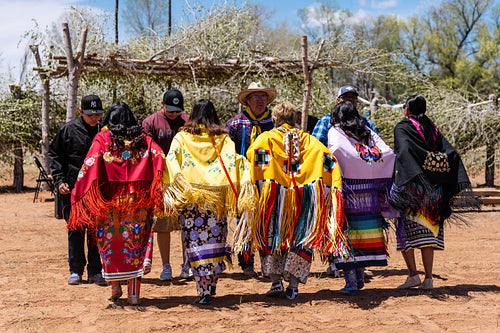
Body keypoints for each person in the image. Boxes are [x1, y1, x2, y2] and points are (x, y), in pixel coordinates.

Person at [243, 102, 347, 300]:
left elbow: (254, 156)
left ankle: (275, 282)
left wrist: (272, 174)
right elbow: (327, 158)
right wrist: (327, 183)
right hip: (303, 198)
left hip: (275, 197)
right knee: (300, 238)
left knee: (272, 235)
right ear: (295, 119)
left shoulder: (266, 138)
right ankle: (293, 286)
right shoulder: (308, 140)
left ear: (274, 120)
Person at [68, 102, 165, 305]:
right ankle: (134, 294)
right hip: (137, 201)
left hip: (110, 203)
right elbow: (160, 157)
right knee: (135, 245)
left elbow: (90, 164)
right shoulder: (143, 140)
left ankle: (115, 287)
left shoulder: (103, 138)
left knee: (111, 245)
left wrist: (80, 191)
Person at [163, 99, 258, 304]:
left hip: (192, 202)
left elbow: (171, 161)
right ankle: (211, 284)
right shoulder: (223, 138)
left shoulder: (182, 137)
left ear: (193, 114)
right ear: (214, 115)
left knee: (195, 243)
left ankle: (203, 288)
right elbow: (234, 161)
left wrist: (178, 189)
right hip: (216, 201)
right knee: (215, 242)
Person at [389, 95, 481, 290]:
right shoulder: (433, 128)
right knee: (428, 232)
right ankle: (428, 278)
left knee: (405, 231)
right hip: (434, 191)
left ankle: (413, 275)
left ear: (407, 110)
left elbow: (404, 151)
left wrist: (413, 171)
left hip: (412, 188)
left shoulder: (402, 127)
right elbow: (451, 153)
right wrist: (431, 166)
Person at [327, 101, 398, 295]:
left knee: (348, 236)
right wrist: (367, 164)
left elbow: (335, 151)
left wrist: (350, 164)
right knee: (363, 236)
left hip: (348, 192)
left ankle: (351, 283)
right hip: (371, 194)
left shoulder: (336, 130)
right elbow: (387, 152)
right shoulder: (366, 130)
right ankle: (358, 279)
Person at [49, 94, 107, 286]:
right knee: (75, 229)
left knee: (95, 231)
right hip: (72, 190)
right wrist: (60, 180)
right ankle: (76, 271)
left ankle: (95, 271)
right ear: (81, 112)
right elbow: (54, 154)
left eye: (98, 114)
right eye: (90, 115)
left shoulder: (104, 131)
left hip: (97, 191)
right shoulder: (68, 130)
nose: (94, 118)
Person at [225, 81, 276, 276]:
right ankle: (246, 265)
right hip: (245, 182)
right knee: (244, 221)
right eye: (256, 97)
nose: (261, 101)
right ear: (247, 100)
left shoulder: (273, 123)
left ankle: (268, 264)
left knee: (269, 221)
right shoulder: (235, 124)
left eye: (264, 97)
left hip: (270, 180)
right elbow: (228, 152)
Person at [142, 88, 192, 281]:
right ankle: (166, 266)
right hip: (161, 181)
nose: (174, 114)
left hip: (184, 181)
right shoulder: (150, 122)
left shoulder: (187, 121)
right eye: (170, 110)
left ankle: (187, 264)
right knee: (163, 225)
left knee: (186, 224)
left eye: (177, 111)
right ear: (162, 104)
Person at [312, 85, 378, 147]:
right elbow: (316, 146)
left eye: (353, 97)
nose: (350, 99)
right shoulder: (326, 120)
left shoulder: (366, 123)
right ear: (338, 100)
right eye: (345, 96)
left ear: (356, 101)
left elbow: (378, 145)